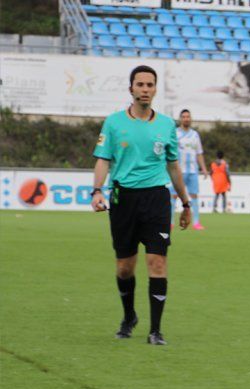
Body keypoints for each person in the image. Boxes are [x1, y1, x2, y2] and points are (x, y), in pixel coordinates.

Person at [91, 65, 192, 346]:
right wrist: (97, 191)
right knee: (125, 267)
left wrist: (185, 203)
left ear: (155, 89)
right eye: (140, 84)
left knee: (157, 262)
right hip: (123, 198)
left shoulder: (166, 126)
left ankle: (156, 330)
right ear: (131, 89)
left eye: (150, 85)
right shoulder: (113, 123)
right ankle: (129, 317)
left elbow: (174, 167)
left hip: (157, 199)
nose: (145, 89)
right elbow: (103, 159)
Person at [175, 109, 209, 230]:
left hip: (192, 171)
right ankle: (171, 223)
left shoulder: (195, 135)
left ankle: (196, 223)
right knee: (173, 196)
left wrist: (204, 168)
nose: (186, 119)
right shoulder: (175, 133)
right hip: (178, 171)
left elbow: (199, 153)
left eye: (188, 117)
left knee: (194, 196)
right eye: (184, 117)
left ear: (191, 118)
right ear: (180, 119)